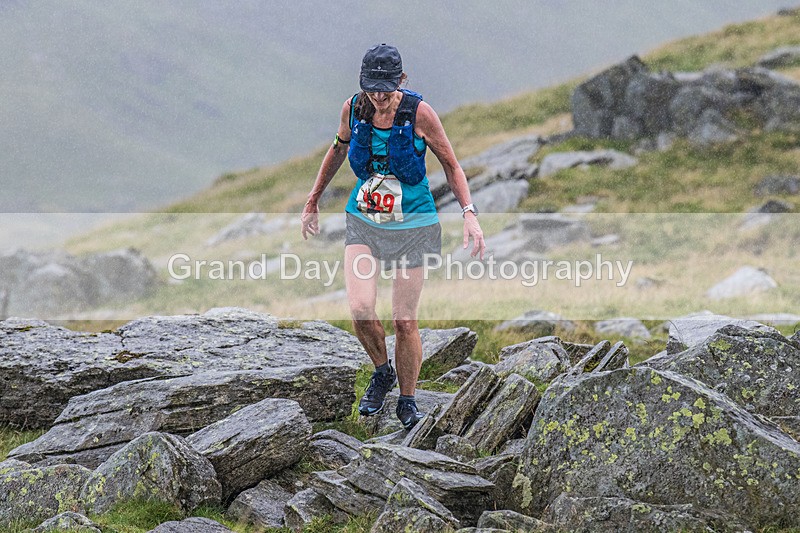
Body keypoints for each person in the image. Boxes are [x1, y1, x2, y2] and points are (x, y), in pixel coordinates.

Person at [301, 44, 485, 430]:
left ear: (401, 81)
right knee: (360, 308)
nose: (379, 97)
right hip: (364, 221)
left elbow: (451, 165)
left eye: (386, 88)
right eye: (372, 88)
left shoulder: (420, 113)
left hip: (413, 227)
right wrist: (313, 199)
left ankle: (407, 399)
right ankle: (382, 371)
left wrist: (469, 215)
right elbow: (337, 150)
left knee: (404, 320)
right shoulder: (353, 108)